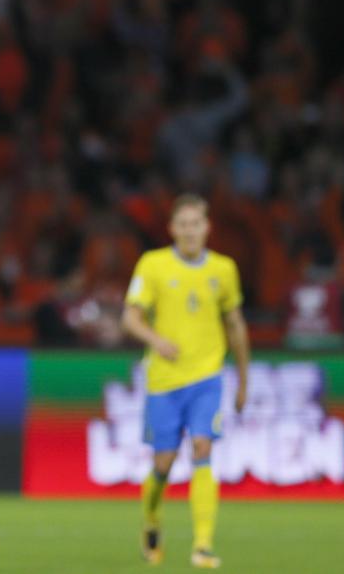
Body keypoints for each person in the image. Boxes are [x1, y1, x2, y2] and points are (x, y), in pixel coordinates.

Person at [121, 194, 251, 569]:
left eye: (196, 224)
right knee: (163, 463)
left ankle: (203, 545)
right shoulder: (154, 265)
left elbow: (236, 326)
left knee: (202, 448)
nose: (190, 231)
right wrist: (155, 339)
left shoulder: (224, 270)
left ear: (207, 227)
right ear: (172, 229)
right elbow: (130, 318)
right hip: (164, 381)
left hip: (207, 377)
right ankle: (151, 518)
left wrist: (243, 381)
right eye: (183, 224)